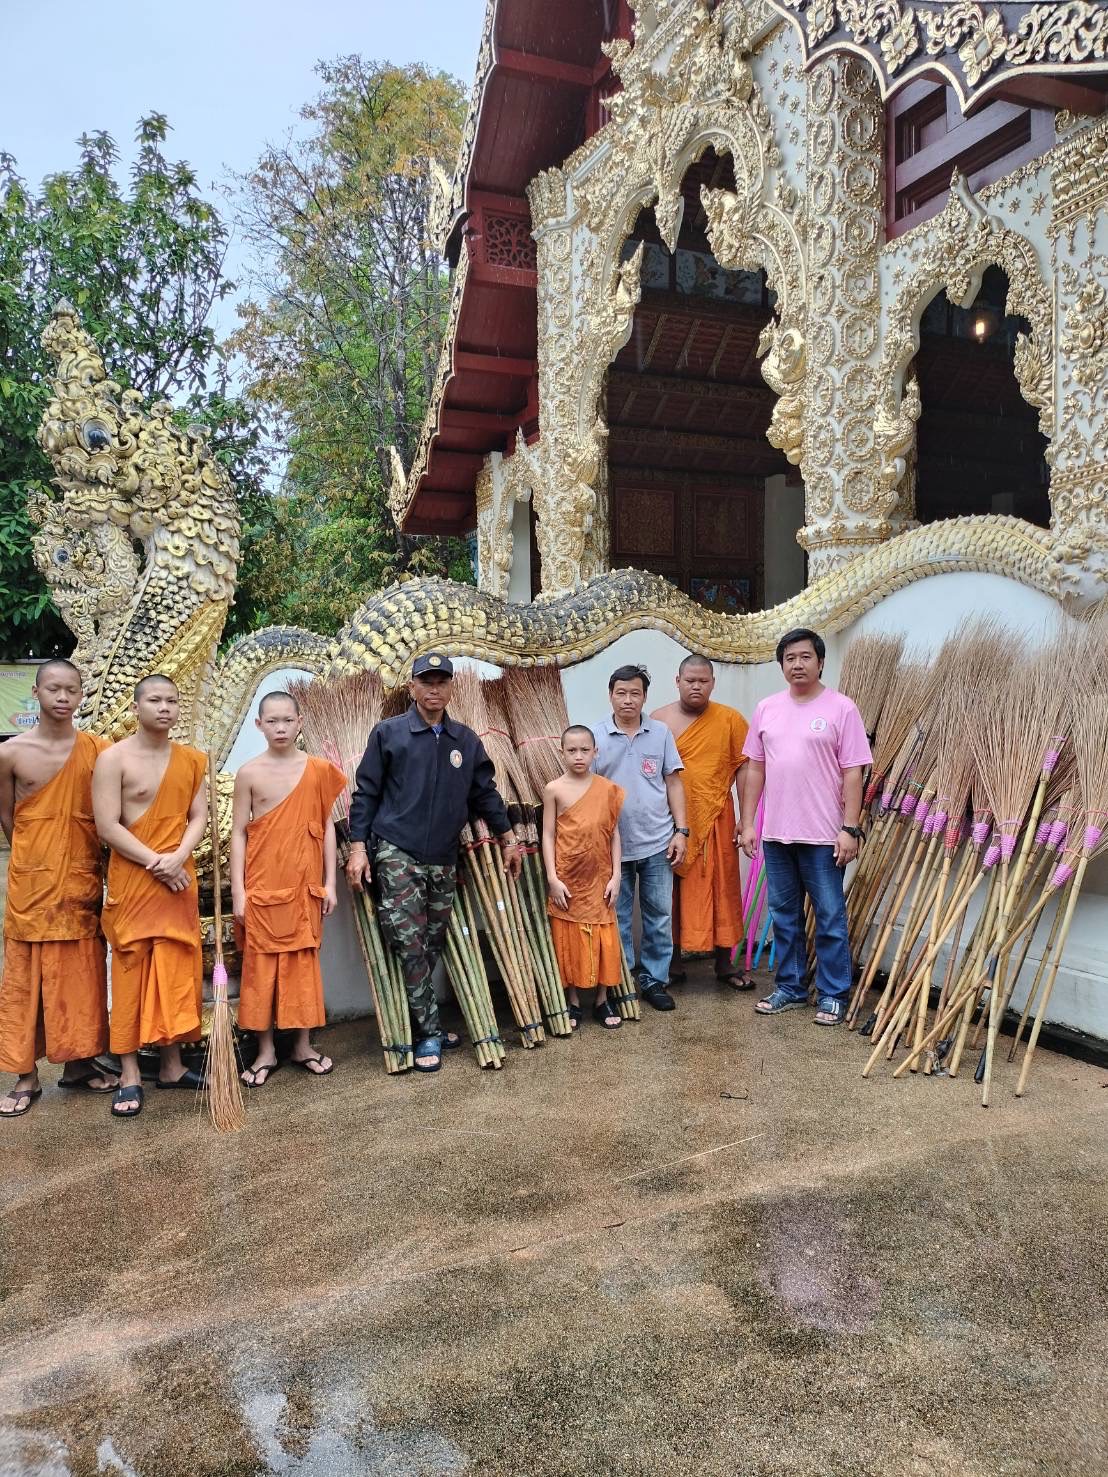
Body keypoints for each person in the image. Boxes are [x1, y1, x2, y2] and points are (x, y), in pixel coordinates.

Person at [345, 653, 523, 1073]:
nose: (434, 689)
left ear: (451, 688)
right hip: (395, 849)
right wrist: (357, 848)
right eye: (427, 681)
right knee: (409, 943)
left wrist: (508, 838)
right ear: (412, 687)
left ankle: (423, 1021)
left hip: (444, 855)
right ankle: (427, 1032)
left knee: (432, 942)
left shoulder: (466, 740)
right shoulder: (389, 734)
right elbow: (365, 794)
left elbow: (486, 795)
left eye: (442, 681)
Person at [0, 659, 116, 1118]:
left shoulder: (99, 751)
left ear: (81, 695)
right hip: (32, 881)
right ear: (37, 692)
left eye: (71, 690)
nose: (62, 697)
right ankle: (25, 1074)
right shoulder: (10, 753)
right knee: (26, 980)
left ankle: (79, 1063)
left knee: (80, 973)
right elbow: (9, 817)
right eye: (53, 689)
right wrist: (37, 857)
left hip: (80, 878)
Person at [739, 628, 871, 1025]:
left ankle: (833, 994)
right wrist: (747, 823)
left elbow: (853, 773)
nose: (797, 664)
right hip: (777, 834)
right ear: (781, 665)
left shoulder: (842, 709)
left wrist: (850, 828)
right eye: (790, 658)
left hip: (823, 835)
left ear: (820, 662)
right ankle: (791, 987)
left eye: (805, 657)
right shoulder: (767, 709)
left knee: (830, 916)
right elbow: (755, 768)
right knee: (784, 915)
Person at [93, 674, 208, 1117]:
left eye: (172, 701)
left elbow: (197, 816)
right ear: (137, 706)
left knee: (176, 970)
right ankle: (130, 1074)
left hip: (177, 877)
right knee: (130, 972)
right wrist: (156, 862)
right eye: (155, 700)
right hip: (136, 880)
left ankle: (173, 1065)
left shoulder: (192, 760)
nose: (165, 707)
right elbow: (107, 826)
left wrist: (178, 855)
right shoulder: (113, 759)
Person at [231, 691, 347, 1087]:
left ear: (300, 722)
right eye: (272, 721)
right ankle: (265, 1050)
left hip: (304, 887)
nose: (280, 728)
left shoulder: (318, 770)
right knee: (260, 968)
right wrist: (238, 893)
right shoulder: (248, 773)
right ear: (258, 725)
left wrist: (330, 883)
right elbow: (238, 836)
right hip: (262, 886)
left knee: (301, 966)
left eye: (287, 720)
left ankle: (301, 1044)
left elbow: (328, 827)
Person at [652, 654, 752, 990]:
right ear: (677, 681)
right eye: (690, 680)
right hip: (672, 820)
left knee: (723, 885)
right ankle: (673, 963)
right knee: (672, 890)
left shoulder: (730, 720)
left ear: (712, 683)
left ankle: (725, 963)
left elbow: (745, 768)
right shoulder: (658, 720)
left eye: (703, 681)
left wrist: (747, 819)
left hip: (717, 818)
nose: (696, 686)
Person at [592, 663, 687, 1012]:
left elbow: (674, 782)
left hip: (658, 842)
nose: (628, 700)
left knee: (658, 915)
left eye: (635, 693)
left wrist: (682, 831)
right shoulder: (596, 736)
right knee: (615, 916)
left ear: (645, 697)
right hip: (612, 847)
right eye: (621, 693)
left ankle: (653, 980)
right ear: (611, 695)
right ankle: (622, 978)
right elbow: (585, 790)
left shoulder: (660, 733)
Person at [542, 725, 625, 1031]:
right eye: (572, 750)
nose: (579, 756)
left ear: (595, 752)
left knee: (604, 938)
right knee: (569, 939)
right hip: (568, 877)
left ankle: (603, 1000)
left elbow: (615, 834)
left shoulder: (607, 788)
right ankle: (574, 1001)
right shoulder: (554, 789)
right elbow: (548, 834)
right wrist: (552, 877)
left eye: (585, 750)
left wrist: (617, 875)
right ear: (561, 752)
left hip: (601, 877)